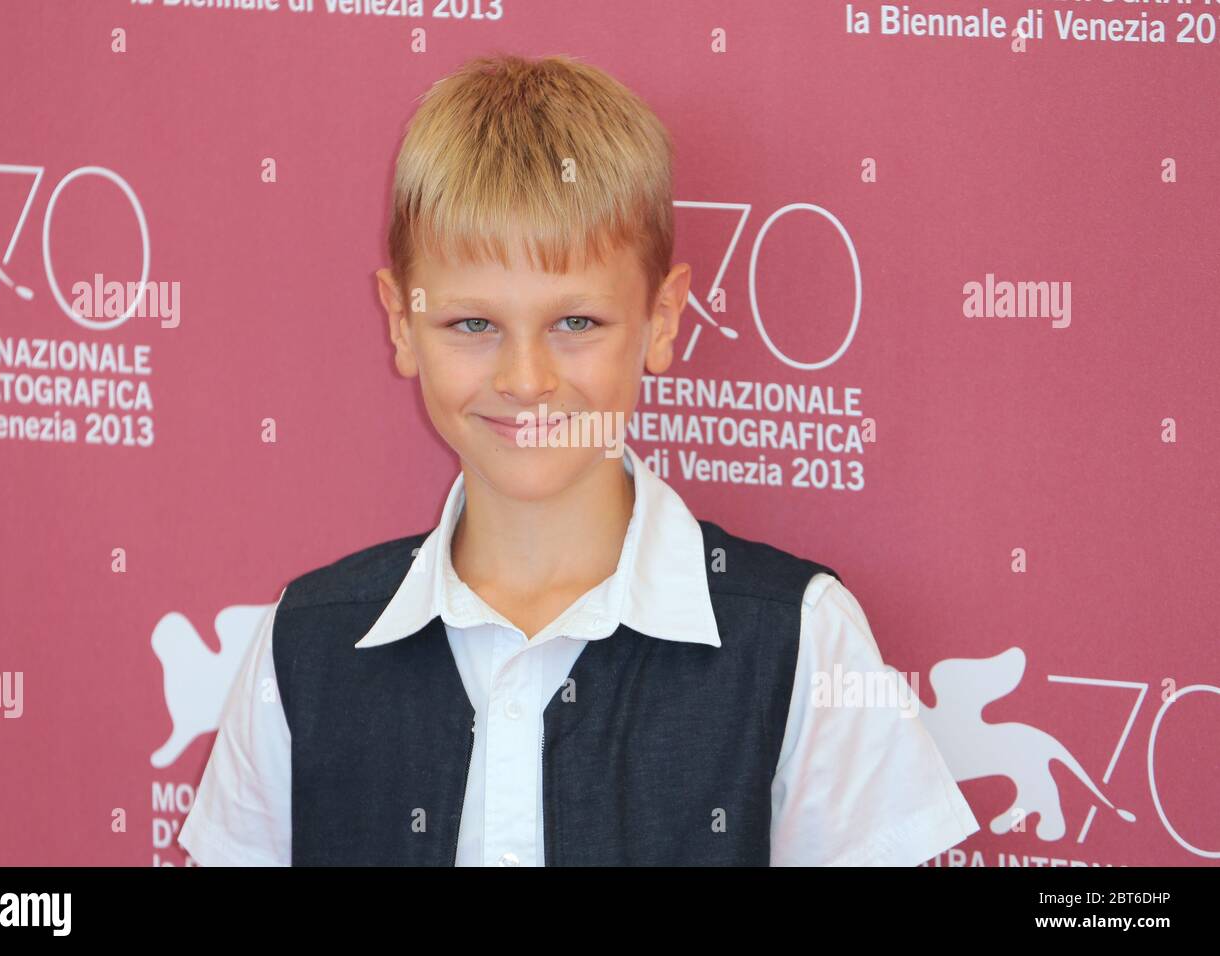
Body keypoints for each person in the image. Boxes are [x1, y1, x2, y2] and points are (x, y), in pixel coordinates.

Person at [179, 52, 978, 866]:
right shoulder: (304, 645)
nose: (527, 380)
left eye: (577, 323)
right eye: (472, 325)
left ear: (663, 319)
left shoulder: (801, 640)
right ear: (400, 321)